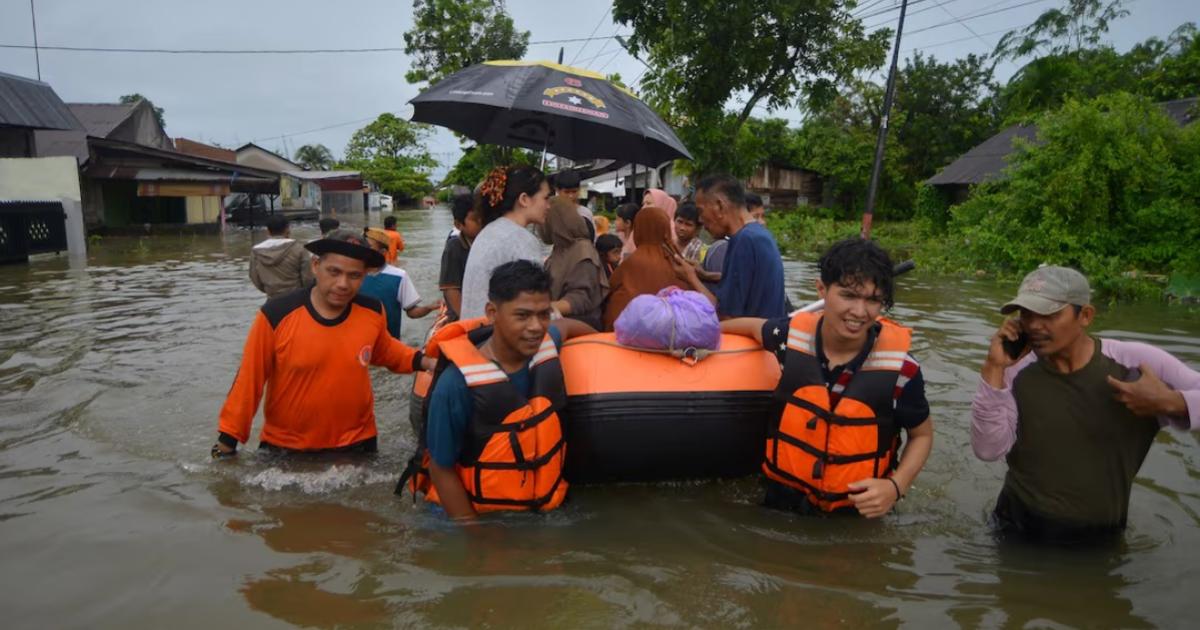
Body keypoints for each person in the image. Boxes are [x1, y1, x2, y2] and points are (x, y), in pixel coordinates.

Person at [972, 266, 1200, 544]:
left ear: (1086, 316)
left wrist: (1169, 402)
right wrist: (993, 367)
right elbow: (987, 449)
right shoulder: (1014, 368)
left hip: (1099, 540)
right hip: (1014, 530)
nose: (1033, 325)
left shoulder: (1135, 364)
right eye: (1027, 314)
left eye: (1049, 315)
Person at [721, 238, 933, 518]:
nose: (859, 312)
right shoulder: (789, 338)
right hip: (782, 503)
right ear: (822, 289)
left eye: (872, 300)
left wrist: (895, 487)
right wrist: (701, 334)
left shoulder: (902, 371)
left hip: (856, 514)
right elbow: (750, 327)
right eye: (848, 295)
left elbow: (922, 435)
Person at [213, 229, 433, 457]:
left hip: (358, 443)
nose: (343, 284)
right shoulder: (276, 314)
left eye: (354, 276)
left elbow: (385, 350)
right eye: (334, 272)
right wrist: (228, 441)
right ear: (315, 266)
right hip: (287, 448)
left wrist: (427, 362)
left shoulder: (372, 311)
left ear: (365, 275)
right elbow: (250, 379)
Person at [409, 260, 596, 519]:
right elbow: (441, 469)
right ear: (492, 313)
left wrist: (602, 339)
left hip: (539, 500)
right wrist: (474, 534)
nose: (535, 326)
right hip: (473, 512)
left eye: (543, 314)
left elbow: (565, 327)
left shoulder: (544, 344)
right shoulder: (455, 385)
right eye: (522, 316)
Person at [669, 174, 786, 319]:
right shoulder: (758, 234)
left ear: (719, 206)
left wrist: (690, 278)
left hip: (749, 340)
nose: (700, 219)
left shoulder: (744, 241)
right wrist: (704, 275)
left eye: (700, 211)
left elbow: (725, 316)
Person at [460, 165, 552, 319]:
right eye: (546, 198)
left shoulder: (490, 230)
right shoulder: (521, 239)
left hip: (473, 331)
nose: (549, 206)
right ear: (524, 199)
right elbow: (536, 302)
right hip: (492, 335)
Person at [602, 206, 683, 330]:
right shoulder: (676, 259)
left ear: (638, 230)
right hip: (671, 331)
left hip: (628, 330)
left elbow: (610, 286)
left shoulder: (631, 261)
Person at [360, 227, 440, 338]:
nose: (363, 250)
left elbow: (411, 311)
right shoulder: (352, 273)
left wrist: (429, 307)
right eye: (361, 246)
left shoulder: (398, 276)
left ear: (382, 252)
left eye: (368, 247)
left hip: (389, 345)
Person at [544, 198, 609, 330]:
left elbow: (580, 299)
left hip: (578, 325)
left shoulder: (582, 251)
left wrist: (543, 309)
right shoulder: (560, 249)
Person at [438, 191, 483, 321]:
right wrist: (466, 320)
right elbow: (451, 289)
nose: (481, 223)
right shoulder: (454, 247)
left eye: (483, 218)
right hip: (461, 315)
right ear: (458, 225)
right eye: (475, 220)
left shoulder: (489, 241)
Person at [249, 215, 314, 299]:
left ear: (268, 231)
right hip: (296, 300)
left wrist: (269, 290)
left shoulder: (256, 252)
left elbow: (255, 278)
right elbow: (308, 279)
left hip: (272, 301)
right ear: (287, 229)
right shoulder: (299, 249)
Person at [552, 170, 596, 241]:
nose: (571, 196)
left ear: (579, 190)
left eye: (574, 191)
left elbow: (593, 238)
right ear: (557, 190)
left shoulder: (586, 213)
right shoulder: (552, 212)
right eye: (566, 192)